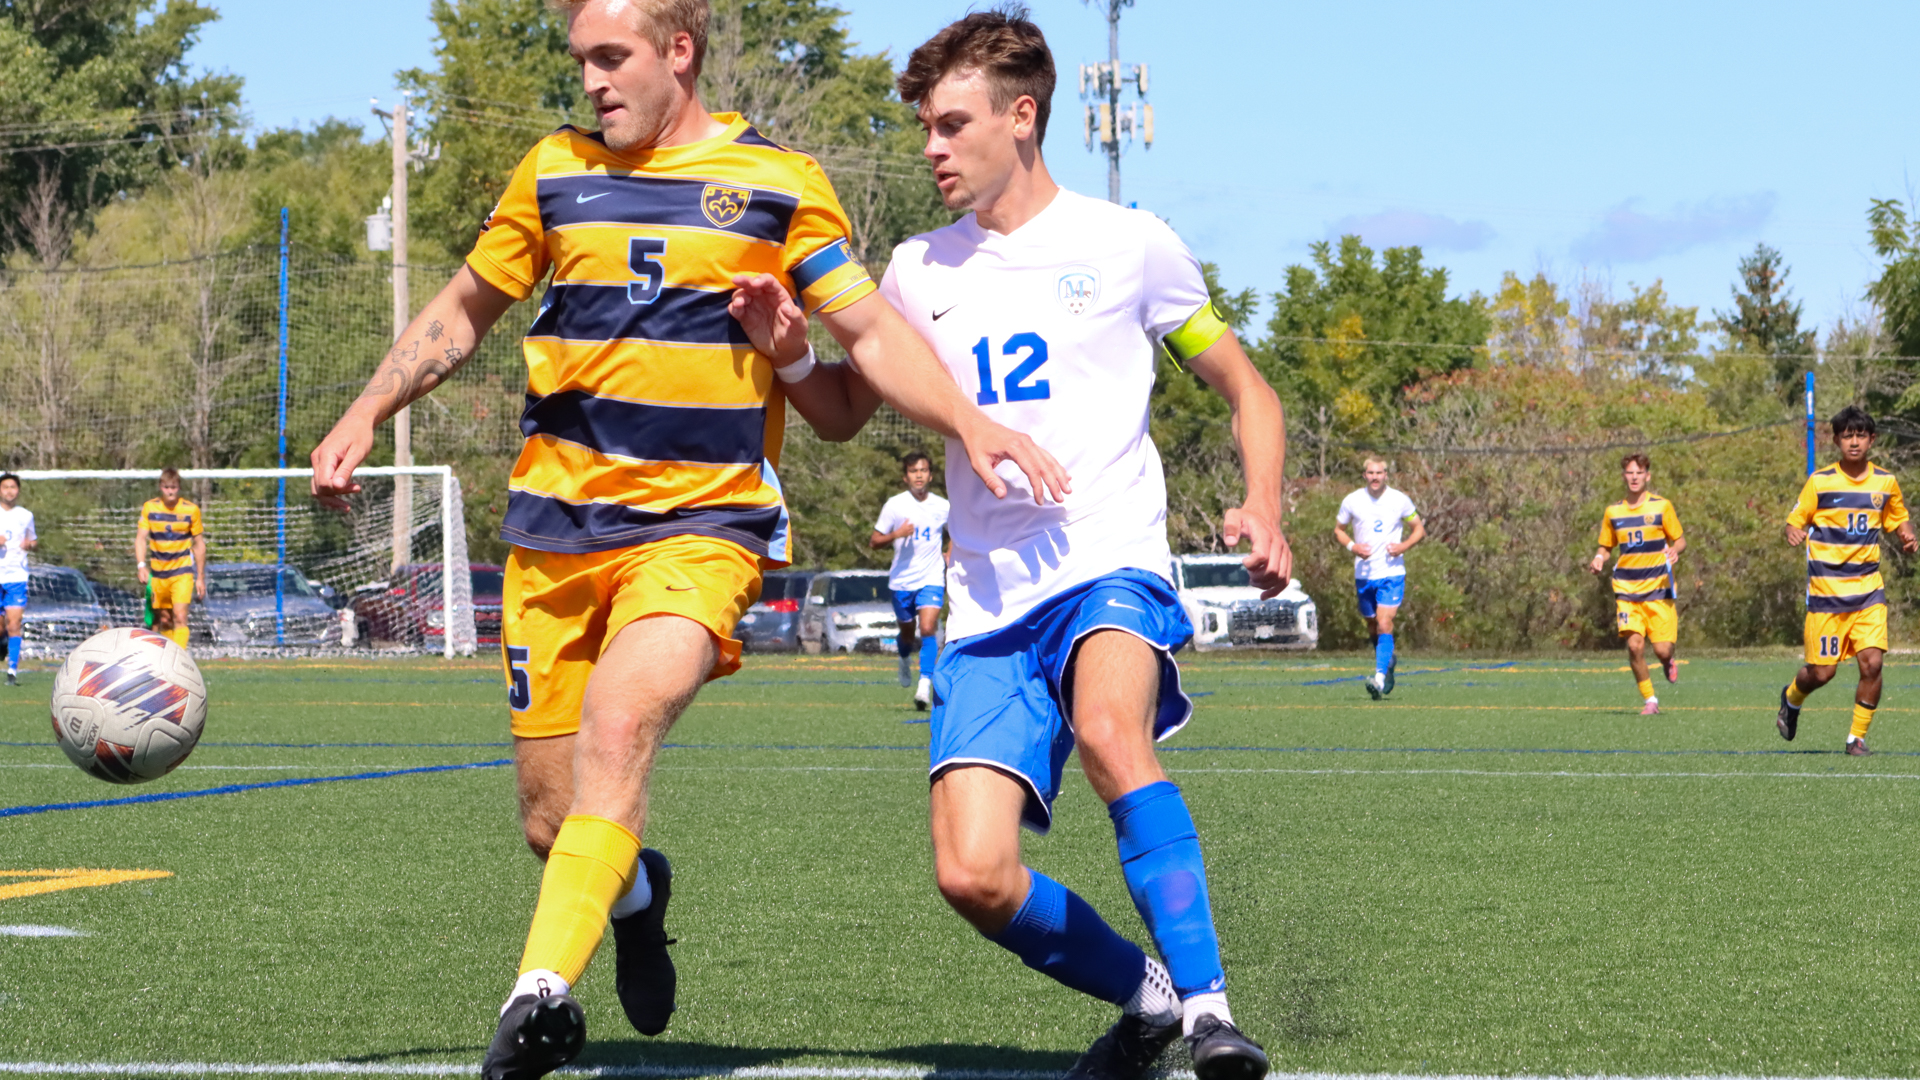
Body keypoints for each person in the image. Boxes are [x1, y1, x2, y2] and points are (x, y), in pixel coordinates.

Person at [306, 2, 1065, 1078]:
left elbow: (873, 334)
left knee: (622, 723)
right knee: (551, 821)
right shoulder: (551, 170)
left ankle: (538, 1000)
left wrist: (973, 424)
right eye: (581, 62)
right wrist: (365, 411)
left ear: (679, 52)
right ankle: (639, 896)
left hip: (704, 526)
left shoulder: (781, 180)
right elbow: (467, 308)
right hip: (552, 531)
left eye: (612, 58)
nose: (593, 82)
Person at [747, 9, 1287, 1079]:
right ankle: (1148, 1001)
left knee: (1108, 730)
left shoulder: (1130, 244)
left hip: (1110, 563)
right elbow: (849, 413)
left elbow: (1246, 388)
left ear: (1024, 116)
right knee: (973, 874)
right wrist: (796, 362)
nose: (932, 149)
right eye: (926, 129)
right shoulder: (915, 270)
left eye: (952, 125)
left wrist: (1262, 504)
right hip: (988, 605)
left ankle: (1211, 1013)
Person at [1777, 406, 1917, 755]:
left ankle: (1856, 738)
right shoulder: (1820, 482)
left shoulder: (1884, 482)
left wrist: (1907, 534)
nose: (1853, 442)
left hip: (1868, 591)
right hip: (1826, 595)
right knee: (1822, 674)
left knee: (1873, 663)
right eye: (1846, 435)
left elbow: (1898, 516)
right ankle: (1792, 698)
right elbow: (1794, 520)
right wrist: (1793, 531)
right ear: (1837, 440)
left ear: (1871, 439)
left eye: (1860, 435)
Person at [1587, 453, 1685, 714]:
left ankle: (1667, 661)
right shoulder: (1614, 512)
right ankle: (1650, 700)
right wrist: (1599, 558)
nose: (1634, 477)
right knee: (1634, 645)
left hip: (1658, 590)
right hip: (1626, 590)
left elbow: (1680, 539)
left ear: (1647, 476)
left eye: (1639, 473)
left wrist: (1676, 550)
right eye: (1629, 473)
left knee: (1662, 650)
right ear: (1624, 476)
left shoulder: (1662, 506)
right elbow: (1606, 546)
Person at [1333, 458, 1423, 699]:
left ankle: (1380, 678)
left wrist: (1403, 546)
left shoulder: (1400, 500)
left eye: (1379, 473)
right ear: (1364, 475)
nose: (1375, 477)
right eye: (1370, 473)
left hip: (1391, 573)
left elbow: (1419, 529)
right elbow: (1338, 530)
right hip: (1364, 574)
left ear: (1386, 475)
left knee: (1384, 623)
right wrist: (1353, 547)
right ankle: (1388, 661)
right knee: (1372, 625)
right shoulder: (1352, 500)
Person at [870, 450, 949, 708]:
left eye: (923, 470)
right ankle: (903, 658)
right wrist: (897, 534)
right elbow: (874, 541)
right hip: (902, 581)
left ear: (931, 475)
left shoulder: (942, 505)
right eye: (914, 471)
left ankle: (924, 686)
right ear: (906, 477)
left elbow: (959, 532)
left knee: (928, 628)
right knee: (908, 632)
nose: (919, 475)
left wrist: (949, 553)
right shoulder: (895, 505)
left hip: (931, 576)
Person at [135, 467, 205, 651]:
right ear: (161, 487)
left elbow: (199, 544)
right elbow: (141, 538)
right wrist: (141, 565)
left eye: (173, 487)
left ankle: (179, 658)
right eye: (166, 487)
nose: (170, 491)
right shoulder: (150, 508)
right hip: (159, 575)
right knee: (164, 619)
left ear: (179, 487)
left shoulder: (191, 510)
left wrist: (200, 577)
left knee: (180, 616)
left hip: (182, 573)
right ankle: (167, 658)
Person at [0, 473, 36, 686]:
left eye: (13, 487)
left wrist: (29, 545)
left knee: (14, 624)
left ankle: (12, 670)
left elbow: (34, 540)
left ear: (18, 490)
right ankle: (3, 642)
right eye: (5, 487)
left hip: (16, 577)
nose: (9, 491)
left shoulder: (25, 515)